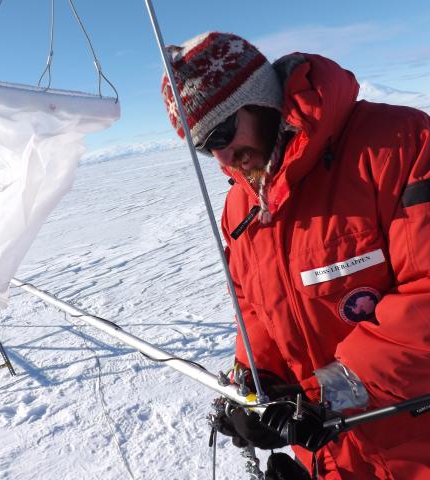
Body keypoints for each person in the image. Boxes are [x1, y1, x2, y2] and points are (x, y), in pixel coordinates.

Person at [161, 31, 430, 479]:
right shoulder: (240, 206)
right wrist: (256, 381)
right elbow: (254, 305)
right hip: (327, 451)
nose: (224, 154)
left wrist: (328, 395)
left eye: (224, 131)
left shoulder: (400, 145)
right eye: (206, 145)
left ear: (261, 99)